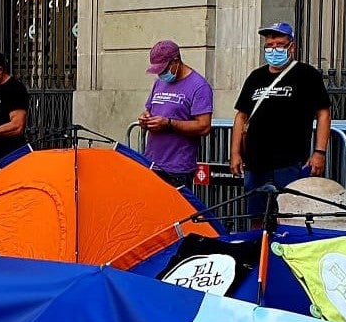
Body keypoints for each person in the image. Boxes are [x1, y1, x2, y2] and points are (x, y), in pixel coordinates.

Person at [230, 21, 330, 220]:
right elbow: (241, 116)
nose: (273, 49)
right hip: (255, 163)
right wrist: (235, 153)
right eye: (269, 45)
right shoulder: (255, 77)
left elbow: (323, 114)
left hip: (290, 162)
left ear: (291, 46)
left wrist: (319, 152)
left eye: (279, 44)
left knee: (290, 216)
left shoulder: (307, 75)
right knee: (257, 217)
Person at [136, 39, 213, 189]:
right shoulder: (159, 83)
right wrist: (145, 117)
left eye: (163, 70)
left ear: (176, 61)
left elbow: (204, 126)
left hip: (177, 167)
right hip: (152, 161)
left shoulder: (199, 86)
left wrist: (169, 123)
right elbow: (150, 109)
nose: (160, 74)